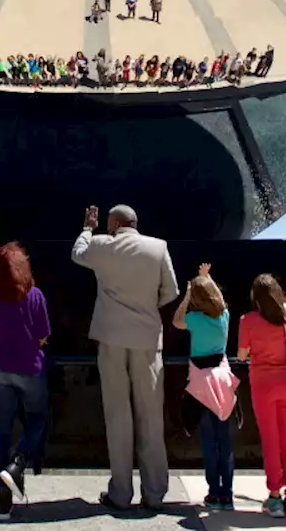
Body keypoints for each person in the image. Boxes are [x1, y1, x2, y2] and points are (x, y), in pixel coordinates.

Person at [72, 204, 179, 511]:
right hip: (147, 340)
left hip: (111, 339)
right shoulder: (158, 248)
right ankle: (155, 493)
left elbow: (78, 253)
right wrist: (146, 307)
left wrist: (87, 228)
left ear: (116, 223)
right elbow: (170, 291)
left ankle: (120, 493)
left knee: (118, 417)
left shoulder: (103, 245)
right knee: (151, 418)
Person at [0, 241, 52, 522]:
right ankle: (19, 462)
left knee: (1, 432)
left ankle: (3, 503)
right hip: (30, 368)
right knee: (38, 418)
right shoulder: (35, 296)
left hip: (0, 370)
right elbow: (43, 334)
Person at [238, 275, 286, 518]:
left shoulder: (247, 320)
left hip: (262, 383)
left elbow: (243, 354)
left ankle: (275, 497)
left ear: (255, 296)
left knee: (270, 440)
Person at [173, 264, 236, 511]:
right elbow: (220, 301)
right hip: (223, 381)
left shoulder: (194, 319)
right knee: (225, 440)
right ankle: (227, 494)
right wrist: (206, 279)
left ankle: (214, 492)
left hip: (202, 385)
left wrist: (188, 293)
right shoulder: (224, 317)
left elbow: (176, 320)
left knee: (209, 440)